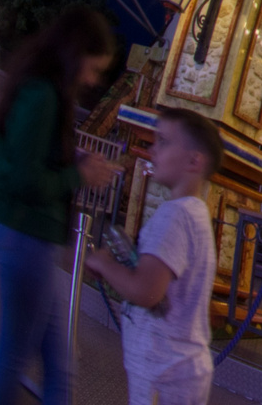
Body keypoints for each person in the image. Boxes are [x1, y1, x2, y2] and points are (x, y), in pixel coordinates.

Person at [0, 7, 118, 405]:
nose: (92, 80)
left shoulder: (38, 89)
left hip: (29, 236)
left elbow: (28, 160)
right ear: (75, 54)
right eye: (93, 69)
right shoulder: (42, 94)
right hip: (25, 236)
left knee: (57, 361)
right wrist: (79, 176)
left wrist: (71, 162)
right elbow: (27, 179)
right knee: (17, 354)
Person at [87, 107, 222, 405]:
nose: (153, 149)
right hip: (178, 367)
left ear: (193, 160)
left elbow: (146, 291)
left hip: (165, 368)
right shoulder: (195, 213)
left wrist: (103, 264)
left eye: (163, 141)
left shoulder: (175, 216)